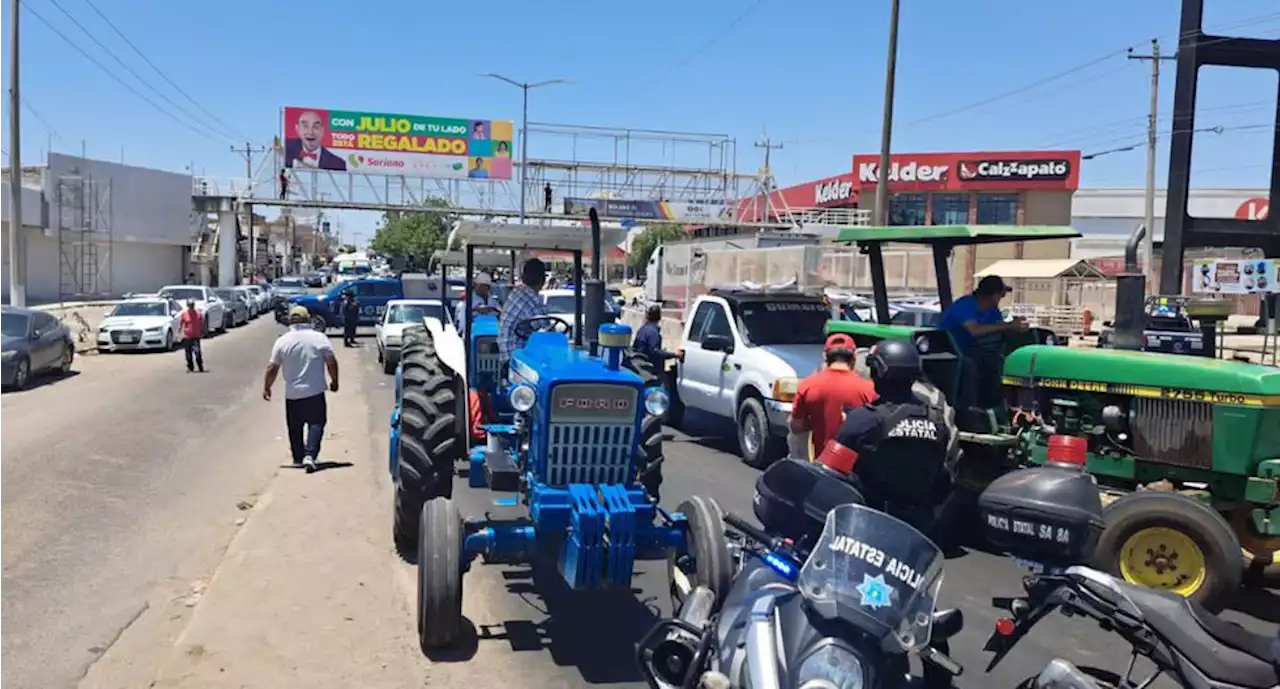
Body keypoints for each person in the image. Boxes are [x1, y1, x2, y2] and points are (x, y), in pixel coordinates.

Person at [817, 338, 953, 534]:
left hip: (868, 523)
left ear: (877, 373)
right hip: (917, 529)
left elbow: (828, 472)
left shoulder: (864, 419)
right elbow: (941, 475)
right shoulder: (937, 420)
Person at [263, 306, 339, 473]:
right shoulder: (319, 338)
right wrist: (334, 381)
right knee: (316, 423)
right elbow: (331, 361)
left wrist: (267, 387)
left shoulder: (283, 341)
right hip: (315, 390)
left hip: (293, 393)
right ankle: (310, 455)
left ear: (291, 320)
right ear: (308, 320)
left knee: (294, 426)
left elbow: (272, 367)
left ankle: (298, 457)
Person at [937, 275, 1027, 411]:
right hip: (949, 352)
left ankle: (1002, 408)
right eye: (1002, 295)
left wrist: (1016, 329)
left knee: (1001, 363)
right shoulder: (965, 305)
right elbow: (975, 330)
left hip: (975, 352)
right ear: (995, 296)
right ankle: (968, 412)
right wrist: (1008, 326)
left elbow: (998, 329)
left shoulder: (992, 311)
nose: (1002, 298)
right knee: (971, 367)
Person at [787, 333, 878, 460]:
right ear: (854, 357)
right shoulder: (869, 389)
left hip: (823, 466)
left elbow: (796, 427)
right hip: (856, 468)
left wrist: (815, 420)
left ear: (825, 356)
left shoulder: (807, 386)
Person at [498, 258, 551, 365]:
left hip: (507, 353)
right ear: (542, 280)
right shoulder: (530, 298)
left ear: (523, 277)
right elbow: (545, 327)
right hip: (516, 356)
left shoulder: (517, 292)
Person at [633, 304, 676, 372]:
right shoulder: (653, 333)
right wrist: (674, 355)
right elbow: (656, 352)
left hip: (638, 365)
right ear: (659, 317)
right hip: (649, 370)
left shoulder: (642, 330)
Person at [179, 300, 205, 373]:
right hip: (187, 337)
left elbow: (202, 323)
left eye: (192, 306)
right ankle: (190, 367)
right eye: (190, 306)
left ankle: (200, 366)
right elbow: (181, 324)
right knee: (188, 354)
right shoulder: (184, 314)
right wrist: (180, 333)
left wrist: (202, 331)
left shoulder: (199, 314)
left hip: (196, 337)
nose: (191, 307)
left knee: (197, 353)